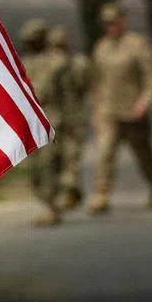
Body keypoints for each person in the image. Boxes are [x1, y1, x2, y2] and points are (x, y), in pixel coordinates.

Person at [88, 4, 152, 213]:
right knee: (104, 152)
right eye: (106, 24)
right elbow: (96, 80)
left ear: (122, 21)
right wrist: (95, 107)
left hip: (132, 111)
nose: (110, 27)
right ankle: (101, 195)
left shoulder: (137, 45)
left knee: (144, 155)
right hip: (108, 111)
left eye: (114, 22)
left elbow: (151, 78)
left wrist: (144, 102)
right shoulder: (101, 47)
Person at [19, 18, 71, 225]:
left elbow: (68, 96)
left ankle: (51, 206)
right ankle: (48, 201)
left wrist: (71, 123)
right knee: (36, 169)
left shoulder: (58, 63)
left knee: (50, 164)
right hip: (32, 122)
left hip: (53, 118)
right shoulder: (25, 64)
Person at [47, 26, 89, 212]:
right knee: (59, 156)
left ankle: (70, 192)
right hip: (58, 118)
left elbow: (84, 84)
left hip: (71, 117)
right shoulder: (54, 64)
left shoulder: (75, 63)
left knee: (71, 156)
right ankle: (69, 191)